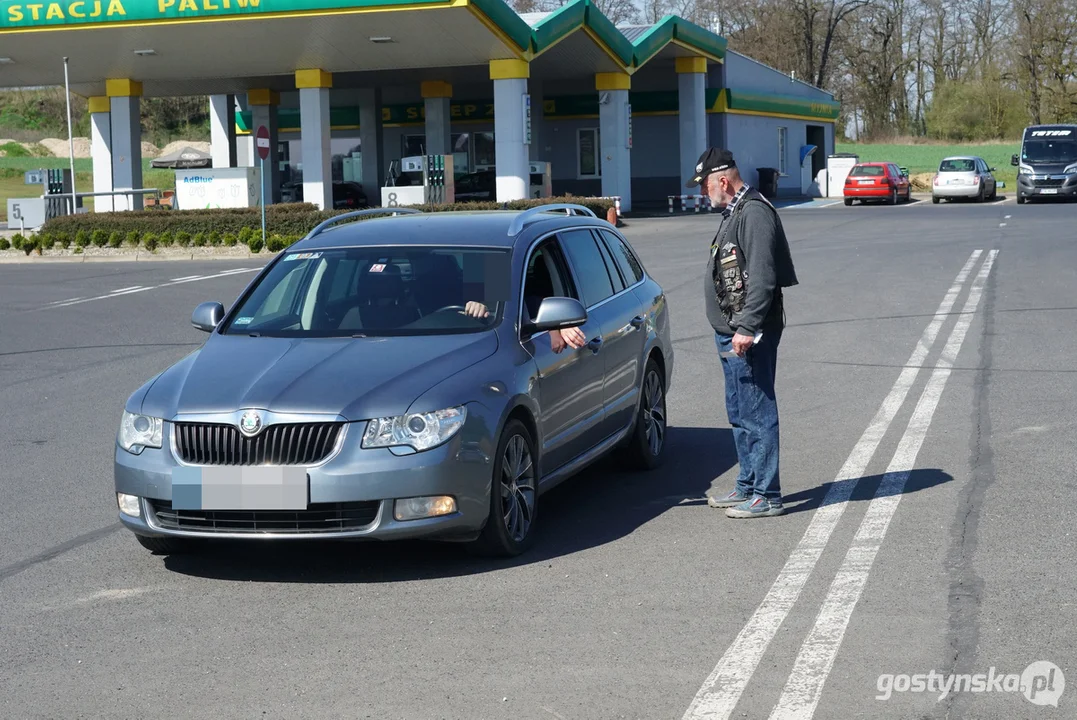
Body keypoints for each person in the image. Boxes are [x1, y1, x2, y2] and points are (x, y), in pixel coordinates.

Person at [687, 147, 799, 519]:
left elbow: (764, 278)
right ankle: (749, 484)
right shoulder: (735, 211)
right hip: (733, 330)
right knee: (739, 411)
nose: (704, 193)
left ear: (722, 180)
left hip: (749, 332)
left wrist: (748, 327)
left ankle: (767, 494)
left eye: (705, 185)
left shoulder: (753, 213)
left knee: (756, 411)